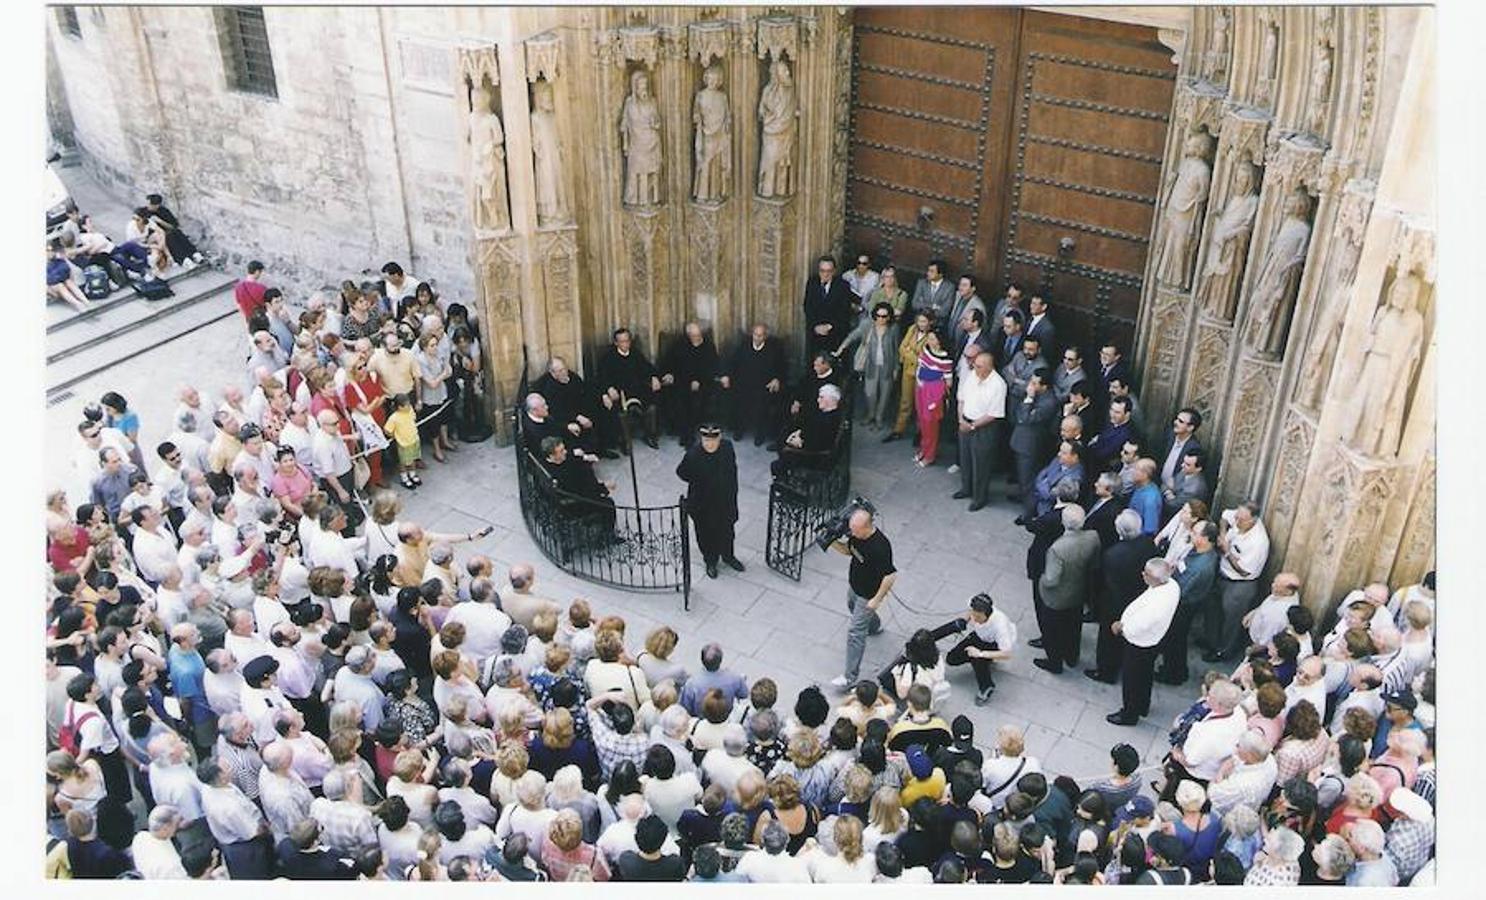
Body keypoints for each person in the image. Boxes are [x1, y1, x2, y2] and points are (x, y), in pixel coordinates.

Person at [1105, 558, 1180, 725]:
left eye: (1146, 573)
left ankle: (1129, 714)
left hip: (1140, 643)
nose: (1142, 574)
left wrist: (1121, 628)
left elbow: (1139, 625)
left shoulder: (1156, 605)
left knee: (1131, 679)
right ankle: (1142, 705)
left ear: (1154, 578)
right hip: (1153, 641)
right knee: (1145, 675)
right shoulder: (1172, 586)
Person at [827, 508, 894, 692]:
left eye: (855, 531)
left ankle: (849, 677)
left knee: (855, 633)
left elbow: (890, 576)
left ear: (866, 527)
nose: (852, 534)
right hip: (854, 586)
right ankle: (873, 625)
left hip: (868, 593)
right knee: (851, 605)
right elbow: (850, 550)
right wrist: (830, 541)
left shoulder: (880, 547)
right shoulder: (857, 536)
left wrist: (877, 600)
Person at [1033, 505, 1100, 674]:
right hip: (1079, 593)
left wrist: (1041, 579)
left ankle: (1054, 663)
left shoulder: (1058, 548)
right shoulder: (1093, 537)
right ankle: (1072, 657)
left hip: (1057, 598)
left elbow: (1051, 580)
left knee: (1052, 632)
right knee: (1073, 627)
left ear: (1063, 522)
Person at [1154, 520, 1219, 686]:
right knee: (1176, 639)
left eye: (1196, 533)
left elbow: (1183, 590)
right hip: (1182, 599)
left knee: (1175, 639)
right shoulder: (1197, 551)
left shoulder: (1202, 567)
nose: (1191, 534)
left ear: (1205, 539)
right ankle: (1176, 669)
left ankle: (1173, 674)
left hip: (1183, 605)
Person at [1205, 502, 1270, 662]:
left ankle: (1223, 651)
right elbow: (1225, 515)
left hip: (1239, 584)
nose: (1237, 521)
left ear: (1253, 520)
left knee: (1231, 621)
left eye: (1241, 520)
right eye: (1237, 517)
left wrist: (1227, 551)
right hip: (1222, 575)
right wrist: (1222, 533)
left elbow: (1244, 570)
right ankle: (1212, 641)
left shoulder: (1258, 542)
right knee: (1213, 610)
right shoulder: (1239, 517)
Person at [676, 424, 742, 579]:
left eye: (713, 441)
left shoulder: (727, 448)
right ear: (701, 439)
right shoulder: (693, 454)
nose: (710, 444)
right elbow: (681, 472)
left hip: (724, 501)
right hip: (702, 504)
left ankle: (728, 556)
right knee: (706, 535)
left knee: (727, 531)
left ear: (719, 438)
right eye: (706, 441)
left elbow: (732, 471)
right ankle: (711, 561)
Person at [952, 351, 1007, 512]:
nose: (974, 368)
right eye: (975, 365)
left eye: (979, 366)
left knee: (981, 463)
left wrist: (973, 425)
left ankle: (979, 497)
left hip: (984, 428)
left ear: (989, 367)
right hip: (965, 422)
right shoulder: (972, 375)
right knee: (966, 458)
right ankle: (966, 488)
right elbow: (961, 398)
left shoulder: (998, 384)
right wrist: (961, 420)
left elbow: (994, 414)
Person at [835, 301, 902, 429]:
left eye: (885, 316)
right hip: (871, 365)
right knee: (870, 392)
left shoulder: (894, 328)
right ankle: (871, 415)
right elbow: (853, 336)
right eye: (878, 316)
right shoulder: (867, 325)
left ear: (889, 317)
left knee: (885, 393)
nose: (881, 319)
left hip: (887, 365)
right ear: (874, 315)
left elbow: (896, 349)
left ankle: (879, 418)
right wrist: (841, 348)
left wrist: (896, 368)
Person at [596, 327, 661, 450]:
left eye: (627, 340)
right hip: (620, 393)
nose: (626, 344)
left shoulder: (635, 353)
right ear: (616, 343)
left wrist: (654, 377)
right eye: (622, 341)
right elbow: (601, 378)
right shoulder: (608, 358)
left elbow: (648, 367)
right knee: (620, 411)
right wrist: (608, 388)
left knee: (652, 404)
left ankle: (650, 435)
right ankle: (625, 441)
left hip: (638, 390)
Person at [721, 322, 786, 446]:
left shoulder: (774, 349)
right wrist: (726, 375)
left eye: (760, 335)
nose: (757, 338)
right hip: (744, 383)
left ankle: (760, 434)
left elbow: (781, 368)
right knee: (736, 398)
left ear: (765, 336)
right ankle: (738, 429)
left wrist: (777, 379)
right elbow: (731, 363)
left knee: (763, 402)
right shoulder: (744, 346)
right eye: (755, 335)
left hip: (763, 385)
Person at [659, 322, 721, 446]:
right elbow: (668, 362)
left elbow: (713, 367)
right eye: (693, 335)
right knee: (679, 399)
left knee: (697, 399)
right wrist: (669, 373)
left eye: (698, 335)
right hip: (681, 381)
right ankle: (685, 433)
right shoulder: (679, 345)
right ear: (688, 335)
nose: (697, 338)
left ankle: (688, 434)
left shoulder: (708, 346)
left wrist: (699, 380)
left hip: (703, 382)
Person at [771, 383, 844, 478]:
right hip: (811, 445)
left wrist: (797, 442)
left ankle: (785, 482)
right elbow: (812, 429)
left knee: (776, 465)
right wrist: (799, 433)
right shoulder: (828, 414)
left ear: (831, 400)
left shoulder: (829, 420)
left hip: (814, 457)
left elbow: (818, 443)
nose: (818, 400)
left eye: (821, 397)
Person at [910, 328, 954, 467]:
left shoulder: (945, 358)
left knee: (931, 425)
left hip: (934, 393)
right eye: (929, 338)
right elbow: (920, 365)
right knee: (922, 422)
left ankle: (930, 455)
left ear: (940, 341)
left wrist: (937, 393)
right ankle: (923, 450)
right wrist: (919, 381)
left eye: (933, 338)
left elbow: (948, 381)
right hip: (921, 389)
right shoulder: (926, 350)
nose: (929, 341)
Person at [802, 255, 855, 355]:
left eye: (829, 271)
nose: (825, 274)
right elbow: (808, 307)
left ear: (834, 271)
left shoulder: (843, 286)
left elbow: (845, 311)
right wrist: (815, 326)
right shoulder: (812, 283)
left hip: (835, 334)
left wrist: (829, 326)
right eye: (822, 271)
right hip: (815, 335)